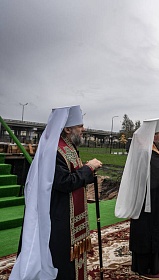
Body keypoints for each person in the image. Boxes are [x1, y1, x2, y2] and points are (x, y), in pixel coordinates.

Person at [11, 105, 103, 280]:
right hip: (59, 217)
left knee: (73, 261)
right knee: (61, 261)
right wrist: (88, 169)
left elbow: (75, 175)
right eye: (80, 126)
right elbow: (64, 182)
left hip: (71, 217)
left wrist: (90, 172)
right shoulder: (54, 151)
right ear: (67, 129)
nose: (83, 129)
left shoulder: (69, 147)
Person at [115, 118, 159, 275]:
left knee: (148, 227)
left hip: (151, 196)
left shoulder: (149, 149)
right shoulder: (146, 151)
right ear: (154, 135)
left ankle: (152, 262)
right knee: (150, 229)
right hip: (150, 200)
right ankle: (149, 265)